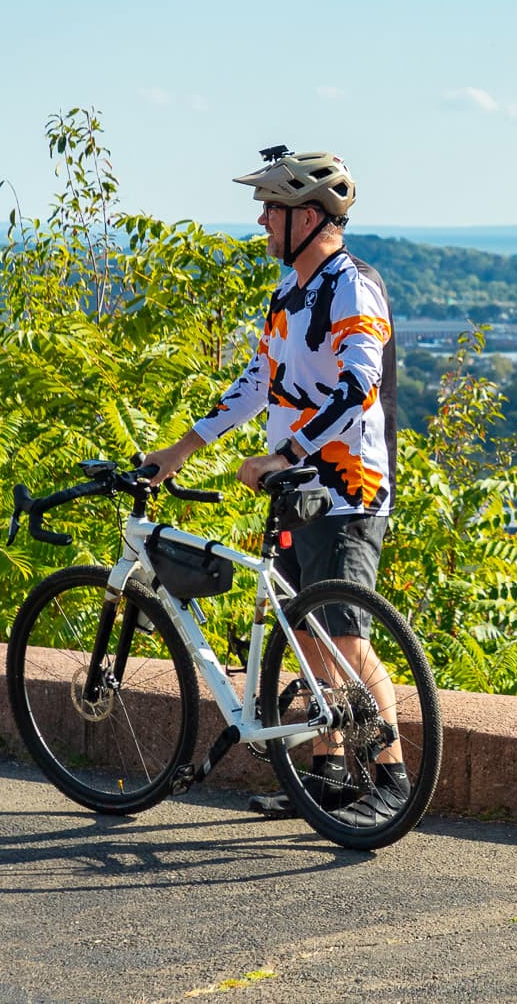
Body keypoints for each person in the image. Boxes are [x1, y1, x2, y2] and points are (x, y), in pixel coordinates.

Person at [140, 146, 403, 821]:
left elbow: (358, 386)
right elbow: (257, 383)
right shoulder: (291, 292)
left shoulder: (350, 285)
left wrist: (287, 451)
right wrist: (182, 448)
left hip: (347, 490)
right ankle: (329, 774)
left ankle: (390, 780)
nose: (260, 220)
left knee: (346, 635)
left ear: (309, 216)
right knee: (308, 633)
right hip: (300, 488)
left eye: (272, 208)